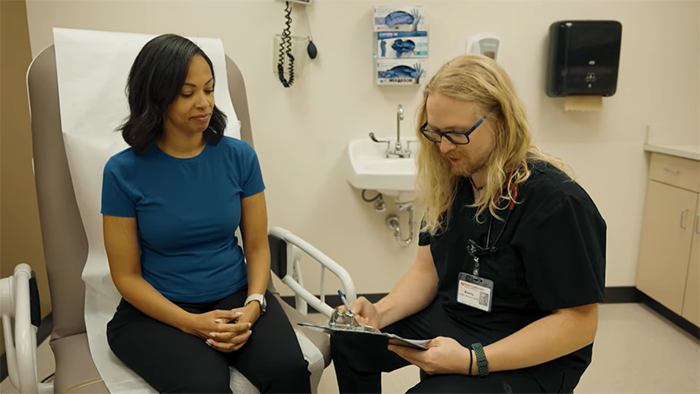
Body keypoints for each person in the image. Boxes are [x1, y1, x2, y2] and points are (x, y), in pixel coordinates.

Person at [331, 54, 606, 394]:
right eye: (436, 132)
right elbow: (426, 270)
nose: (444, 147)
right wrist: (379, 313)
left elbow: (578, 324)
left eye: (457, 134)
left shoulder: (556, 202)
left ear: (501, 121)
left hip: (526, 341)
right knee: (351, 342)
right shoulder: (453, 181)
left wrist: (471, 361)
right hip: (458, 315)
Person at [101, 34, 311, 394]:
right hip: (159, 311)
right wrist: (191, 323)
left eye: (209, 90)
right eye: (187, 93)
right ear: (156, 96)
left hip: (235, 297)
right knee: (205, 386)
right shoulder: (122, 172)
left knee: (289, 370)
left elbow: (257, 248)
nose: (204, 103)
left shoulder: (239, 157)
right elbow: (126, 276)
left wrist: (254, 304)